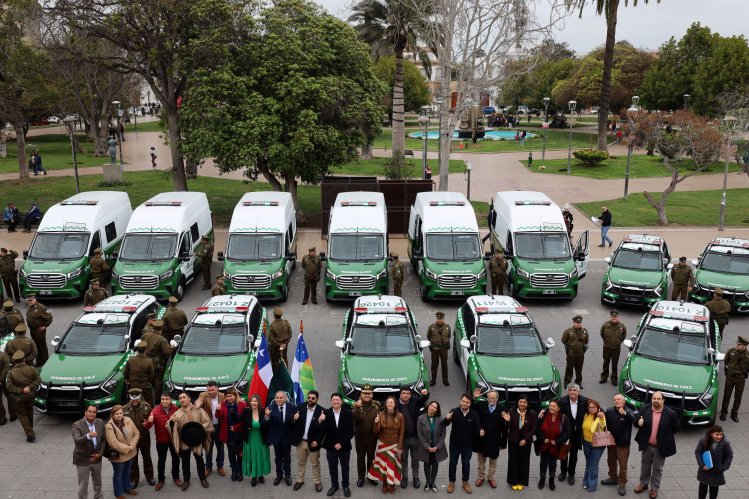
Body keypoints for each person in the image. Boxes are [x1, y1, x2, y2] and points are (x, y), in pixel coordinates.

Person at [633, 391, 681, 499]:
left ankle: (654, 488)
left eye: (658, 399)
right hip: (646, 445)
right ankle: (643, 484)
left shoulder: (670, 413)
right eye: (654, 398)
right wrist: (638, 423)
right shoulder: (644, 409)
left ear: (663, 400)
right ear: (651, 399)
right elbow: (636, 422)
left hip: (660, 447)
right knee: (645, 465)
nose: (656, 401)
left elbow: (676, 428)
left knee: (657, 469)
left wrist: (665, 435)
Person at [169, 391, 214, 490]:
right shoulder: (178, 413)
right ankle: (186, 481)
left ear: (189, 398)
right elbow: (170, 425)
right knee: (185, 462)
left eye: (184, 397)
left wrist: (199, 429)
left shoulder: (198, 410)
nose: (182, 400)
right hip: (184, 441)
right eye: (180, 398)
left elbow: (207, 422)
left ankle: (202, 479)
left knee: (200, 460)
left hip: (197, 441)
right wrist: (172, 422)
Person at [443, 393, 482, 494]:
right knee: (452, 463)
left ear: (470, 403)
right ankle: (451, 482)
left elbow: (478, 427)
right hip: (454, 445)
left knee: (466, 464)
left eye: (467, 402)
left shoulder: (474, 414)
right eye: (463, 401)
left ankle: (465, 482)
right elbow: (446, 424)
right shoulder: (454, 411)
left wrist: (480, 431)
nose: (464, 403)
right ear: (460, 401)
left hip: (468, 445)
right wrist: (447, 418)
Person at [317, 392, 354, 497]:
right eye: (334, 400)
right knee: (332, 467)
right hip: (331, 447)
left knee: (345, 467)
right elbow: (322, 431)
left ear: (341, 401)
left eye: (337, 400)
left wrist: (340, 443)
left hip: (344, 446)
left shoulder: (348, 413)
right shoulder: (325, 413)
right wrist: (320, 420)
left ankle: (346, 485)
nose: (335, 401)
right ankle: (334, 485)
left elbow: (351, 432)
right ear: (331, 401)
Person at [143, 393, 181, 491]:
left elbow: (180, 422)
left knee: (176, 459)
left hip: (174, 440)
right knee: (161, 460)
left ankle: (176, 477)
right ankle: (161, 480)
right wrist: (149, 421)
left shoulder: (176, 408)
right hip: (161, 440)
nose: (164, 401)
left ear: (170, 399)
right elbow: (146, 427)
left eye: (167, 399)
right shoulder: (155, 411)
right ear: (160, 400)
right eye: (163, 399)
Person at [367, 396, 405, 493]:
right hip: (382, 444)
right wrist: (376, 423)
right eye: (388, 402)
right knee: (383, 466)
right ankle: (384, 483)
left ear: (395, 404)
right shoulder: (380, 414)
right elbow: (376, 431)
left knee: (392, 465)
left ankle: (391, 484)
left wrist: (400, 447)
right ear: (385, 404)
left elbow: (401, 433)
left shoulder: (400, 416)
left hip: (394, 444)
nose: (389, 404)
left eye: (391, 402)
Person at [472, 388, 507, 489]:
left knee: (493, 461)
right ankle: (481, 477)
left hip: (495, 440)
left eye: (493, 397)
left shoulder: (502, 410)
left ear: (497, 398)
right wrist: (474, 397)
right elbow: (471, 407)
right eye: (489, 397)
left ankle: (491, 478)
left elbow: (505, 429)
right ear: (487, 397)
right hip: (482, 439)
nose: (491, 399)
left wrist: (503, 444)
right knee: (481, 461)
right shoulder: (480, 405)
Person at [603, 393, 636, 496]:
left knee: (623, 465)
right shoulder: (609, 410)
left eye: (619, 399)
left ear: (624, 401)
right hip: (611, 442)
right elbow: (605, 424)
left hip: (623, 444)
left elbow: (634, 421)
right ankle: (613, 478)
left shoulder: (629, 411)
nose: (617, 401)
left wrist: (625, 413)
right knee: (611, 462)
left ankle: (622, 483)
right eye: (615, 400)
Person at [291, 389, 324, 492]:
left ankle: (317, 482)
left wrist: (318, 441)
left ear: (317, 399)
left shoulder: (321, 411)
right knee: (301, 462)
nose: (310, 400)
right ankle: (300, 480)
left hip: (313, 443)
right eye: (308, 397)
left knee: (315, 464)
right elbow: (293, 423)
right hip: (301, 442)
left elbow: (322, 431)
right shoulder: (300, 407)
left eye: (313, 398)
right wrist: (294, 419)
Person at [104, 404, 140, 499]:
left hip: (131, 452)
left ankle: (127, 487)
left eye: (121, 413)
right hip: (119, 455)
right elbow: (113, 443)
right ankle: (118, 493)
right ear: (112, 415)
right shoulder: (109, 426)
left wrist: (132, 445)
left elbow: (136, 433)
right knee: (118, 474)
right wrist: (128, 448)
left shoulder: (128, 420)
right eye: (117, 414)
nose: (119, 415)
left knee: (128, 472)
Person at [502, 395, 536, 491]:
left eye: (524, 402)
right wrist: (508, 421)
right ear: (517, 402)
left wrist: (525, 439)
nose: (522, 404)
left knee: (524, 462)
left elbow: (533, 428)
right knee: (513, 461)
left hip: (526, 442)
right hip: (513, 440)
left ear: (527, 404)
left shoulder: (532, 413)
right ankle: (513, 481)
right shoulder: (511, 412)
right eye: (520, 402)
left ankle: (521, 481)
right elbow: (509, 427)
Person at [396, 386, 429, 489]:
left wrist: (425, 394)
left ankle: (416, 478)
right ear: (400, 394)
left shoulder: (414, 400)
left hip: (415, 438)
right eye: (404, 393)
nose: (406, 395)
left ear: (410, 395)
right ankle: (404, 478)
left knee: (415, 459)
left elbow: (423, 399)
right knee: (404, 459)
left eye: (408, 393)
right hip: (402, 439)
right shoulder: (396, 404)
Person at [535, 399, 571, 491]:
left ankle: (551, 480)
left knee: (553, 463)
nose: (551, 407)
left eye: (553, 406)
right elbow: (536, 428)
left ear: (558, 408)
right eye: (550, 406)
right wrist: (543, 439)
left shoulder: (563, 418)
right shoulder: (542, 415)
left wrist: (558, 441)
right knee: (543, 462)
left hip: (555, 446)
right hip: (544, 445)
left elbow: (567, 433)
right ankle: (542, 479)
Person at [72, 404, 106, 499]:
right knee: (83, 486)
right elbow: (77, 440)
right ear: (85, 412)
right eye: (90, 412)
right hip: (82, 460)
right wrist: (88, 436)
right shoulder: (76, 425)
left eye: (94, 412)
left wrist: (100, 454)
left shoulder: (100, 422)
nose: (92, 414)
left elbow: (104, 440)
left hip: (97, 458)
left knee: (98, 484)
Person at [123, 388, 154, 489]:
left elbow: (152, 420)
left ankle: (149, 477)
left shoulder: (146, 407)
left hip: (144, 437)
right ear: (130, 397)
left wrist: (150, 421)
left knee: (147, 457)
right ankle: (134, 479)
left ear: (140, 397)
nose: (135, 400)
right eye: (133, 398)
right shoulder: (124, 409)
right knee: (133, 460)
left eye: (137, 398)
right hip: (131, 440)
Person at [6, 349, 40, 441]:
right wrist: (30, 387)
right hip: (31, 395)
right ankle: (30, 428)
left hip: (18, 397)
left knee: (22, 414)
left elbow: (9, 386)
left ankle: (30, 433)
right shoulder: (31, 369)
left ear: (14, 361)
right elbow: (37, 380)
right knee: (30, 411)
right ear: (24, 359)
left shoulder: (11, 373)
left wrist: (20, 390)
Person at [265, 389, 296, 486]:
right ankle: (279, 475)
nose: (279, 399)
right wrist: (266, 416)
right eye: (277, 397)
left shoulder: (292, 407)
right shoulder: (270, 407)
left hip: (287, 437)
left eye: (281, 397)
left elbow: (295, 423)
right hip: (276, 438)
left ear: (285, 398)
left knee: (287, 458)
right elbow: (266, 423)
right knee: (278, 458)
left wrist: (295, 419)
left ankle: (288, 475)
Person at [214, 388, 247, 481]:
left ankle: (240, 471)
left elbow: (245, 419)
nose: (228, 398)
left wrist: (236, 427)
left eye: (230, 396)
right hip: (228, 433)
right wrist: (218, 410)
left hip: (239, 433)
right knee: (231, 453)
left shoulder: (242, 404)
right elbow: (218, 417)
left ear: (235, 395)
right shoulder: (223, 404)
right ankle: (234, 471)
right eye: (227, 396)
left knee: (240, 453)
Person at [558, 384, 588, 485]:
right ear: (567, 392)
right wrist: (543, 410)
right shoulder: (562, 401)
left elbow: (595, 406)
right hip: (565, 433)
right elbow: (551, 406)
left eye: (574, 390)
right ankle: (563, 472)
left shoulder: (584, 401)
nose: (572, 392)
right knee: (564, 453)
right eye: (570, 390)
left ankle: (571, 474)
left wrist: (601, 413)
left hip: (576, 434)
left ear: (578, 392)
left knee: (574, 455)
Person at [352, 384, 381, 488]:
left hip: (373, 437)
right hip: (360, 437)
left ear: (372, 395)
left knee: (371, 457)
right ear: (361, 394)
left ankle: (371, 476)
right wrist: (358, 407)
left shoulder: (377, 405)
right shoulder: (355, 405)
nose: (367, 395)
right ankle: (361, 478)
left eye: (369, 393)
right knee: (360, 458)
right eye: (365, 393)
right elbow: (355, 418)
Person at [139, 319, 173, 406]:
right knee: (158, 380)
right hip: (156, 362)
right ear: (161, 328)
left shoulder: (145, 335)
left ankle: (147, 397)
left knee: (147, 378)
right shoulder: (161, 339)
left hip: (144, 360)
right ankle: (157, 399)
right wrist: (172, 347)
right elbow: (167, 352)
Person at [416, 400, 447, 494]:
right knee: (427, 464)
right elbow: (419, 434)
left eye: (435, 407)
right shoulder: (420, 418)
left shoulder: (441, 419)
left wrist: (438, 446)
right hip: (426, 448)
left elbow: (443, 434)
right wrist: (426, 446)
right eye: (431, 405)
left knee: (435, 464)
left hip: (437, 448)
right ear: (428, 406)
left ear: (437, 411)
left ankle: (432, 483)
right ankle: (427, 482)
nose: (432, 408)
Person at [240, 394, 271, 486]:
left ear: (259, 402)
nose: (253, 403)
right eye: (252, 401)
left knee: (260, 457)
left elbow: (267, 424)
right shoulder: (246, 411)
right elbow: (238, 420)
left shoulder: (263, 411)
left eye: (255, 401)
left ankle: (260, 475)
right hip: (250, 439)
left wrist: (267, 416)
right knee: (252, 457)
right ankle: (254, 477)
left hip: (261, 439)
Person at [197, 380, 226, 477]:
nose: (211, 392)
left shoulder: (223, 396)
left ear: (217, 388)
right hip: (208, 427)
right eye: (209, 390)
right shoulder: (204, 395)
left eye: (213, 390)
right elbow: (199, 400)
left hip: (219, 427)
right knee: (208, 448)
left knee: (220, 448)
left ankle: (220, 466)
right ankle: (208, 467)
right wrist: (198, 404)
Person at [695, 425, 733, 499]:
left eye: (721, 434)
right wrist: (702, 465)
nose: (719, 437)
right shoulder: (703, 441)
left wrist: (723, 467)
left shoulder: (725, 443)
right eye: (717, 434)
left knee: (713, 495)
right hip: (705, 471)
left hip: (717, 472)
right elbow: (698, 452)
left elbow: (729, 456)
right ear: (711, 434)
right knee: (702, 494)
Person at [719, 335, 749, 422]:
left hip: (740, 379)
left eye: (739, 344)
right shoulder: (731, 351)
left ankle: (734, 414)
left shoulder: (748, 355)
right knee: (726, 396)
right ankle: (723, 413)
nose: (737, 345)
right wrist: (727, 372)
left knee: (738, 398)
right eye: (737, 344)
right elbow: (726, 360)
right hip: (730, 377)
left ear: (744, 345)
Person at [581, 398, 607, 492]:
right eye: (589, 407)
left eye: (593, 407)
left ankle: (592, 485)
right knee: (589, 463)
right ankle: (585, 481)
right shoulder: (586, 415)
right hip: (586, 443)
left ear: (598, 408)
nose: (591, 409)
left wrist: (601, 417)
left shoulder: (600, 417)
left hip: (597, 444)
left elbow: (601, 426)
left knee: (593, 464)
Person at [25, 293, 53, 366]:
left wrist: (44, 326)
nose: (29, 301)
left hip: (39, 330)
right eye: (28, 300)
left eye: (30, 300)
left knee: (42, 346)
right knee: (36, 346)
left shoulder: (41, 307)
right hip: (32, 330)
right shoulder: (29, 306)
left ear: (34, 298)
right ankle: (39, 361)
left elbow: (49, 318)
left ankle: (45, 361)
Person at [600, 310, 627, 385]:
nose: (614, 318)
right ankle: (604, 377)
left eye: (615, 317)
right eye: (613, 316)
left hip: (616, 348)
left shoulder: (622, 326)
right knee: (606, 363)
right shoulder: (605, 325)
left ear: (618, 317)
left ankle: (614, 378)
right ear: (611, 317)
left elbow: (623, 336)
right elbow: (602, 334)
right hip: (607, 347)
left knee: (615, 364)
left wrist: (618, 342)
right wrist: (606, 341)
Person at [561, 315, 589, 389]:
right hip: (571, 353)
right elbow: (563, 340)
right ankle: (567, 382)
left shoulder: (584, 331)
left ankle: (578, 382)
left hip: (580, 353)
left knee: (579, 369)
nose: (578, 324)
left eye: (580, 322)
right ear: (573, 322)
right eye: (577, 322)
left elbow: (586, 340)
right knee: (569, 368)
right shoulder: (568, 331)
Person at [124, 340, 154, 404]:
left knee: (133, 401)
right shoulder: (149, 361)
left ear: (137, 350)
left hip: (133, 385)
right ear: (146, 350)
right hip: (145, 385)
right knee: (149, 401)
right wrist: (149, 382)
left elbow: (125, 372)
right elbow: (151, 375)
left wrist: (127, 379)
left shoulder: (131, 359)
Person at [426, 311, 451, 386]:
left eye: (441, 319)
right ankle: (433, 380)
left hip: (444, 349)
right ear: (436, 319)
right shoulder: (431, 327)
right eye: (438, 318)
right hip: (435, 349)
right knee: (434, 365)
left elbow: (449, 336)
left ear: (443, 319)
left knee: (444, 365)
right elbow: (428, 336)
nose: (439, 320)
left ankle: (445, 380)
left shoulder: (447, 326)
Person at [0, 350, 13, 425]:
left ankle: (1, 419)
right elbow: (6, 368)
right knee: (9, 396)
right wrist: (1, 379)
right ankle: (13, 415)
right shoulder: (3, 356)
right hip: (4, 380)